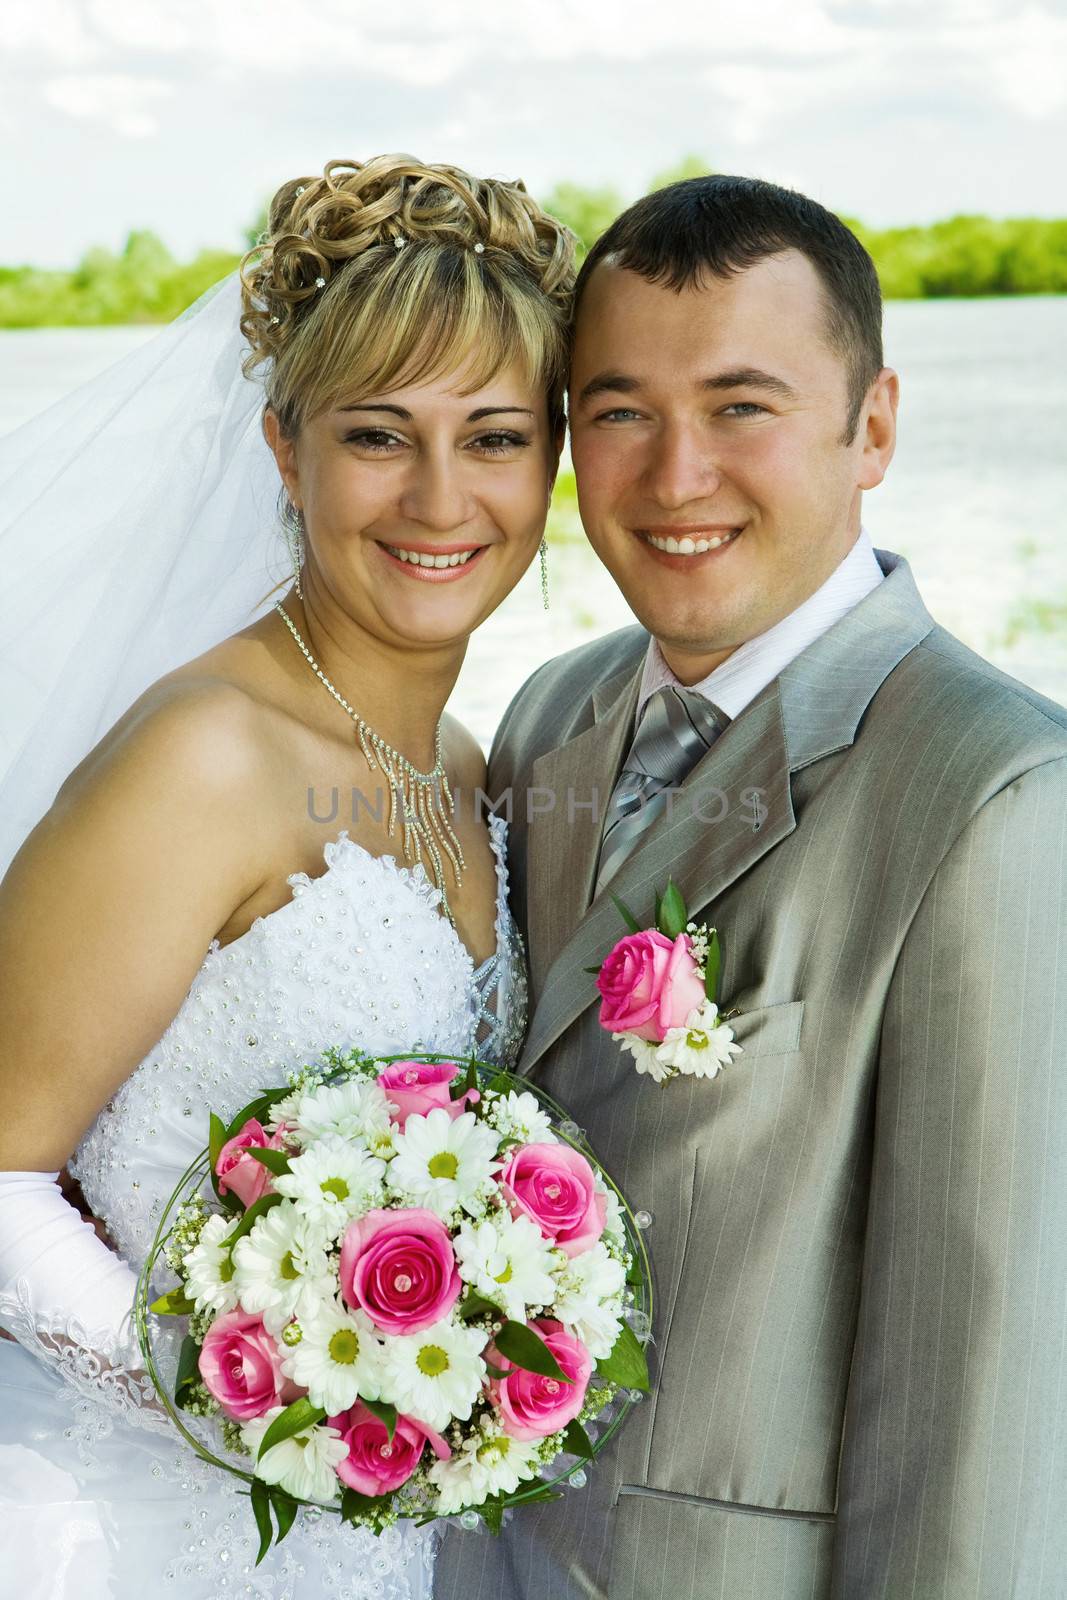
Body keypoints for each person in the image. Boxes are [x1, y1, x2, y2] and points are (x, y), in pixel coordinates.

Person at [433, 175, 1067, 1599]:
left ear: (875, 429)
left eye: (741, 406)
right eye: (618, 412)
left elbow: (990, 1409)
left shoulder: (999, 797)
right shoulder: (550, 714)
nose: (674, 477)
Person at [0, 154, 574, 1599]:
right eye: (378, 435)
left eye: (495, 437)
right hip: (155, 1535)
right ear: (283, 448)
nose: (441, 498)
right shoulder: (205, 754)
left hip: (379, 1547)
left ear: (552, 462)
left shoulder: (469, 763)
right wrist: (259, 1407)